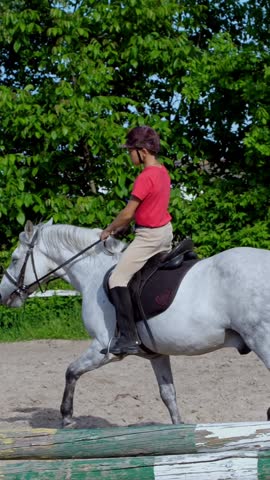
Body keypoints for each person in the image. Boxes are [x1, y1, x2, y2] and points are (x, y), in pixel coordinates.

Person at [100, 126, 173, 355]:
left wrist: (110, 229)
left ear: (142, 151)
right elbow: (150, 207)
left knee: (117, 278)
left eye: (130, 150)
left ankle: (128, 337)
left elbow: (128, 213)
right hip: (165, 233)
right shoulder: (162, 171)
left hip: (148, 238)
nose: (129, 154)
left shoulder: (145, 176)